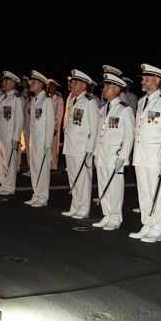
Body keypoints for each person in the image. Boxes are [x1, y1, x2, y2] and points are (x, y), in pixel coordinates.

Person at [129, 63, 161, 243]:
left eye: (147, 78)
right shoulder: (142, 102)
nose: (143, 80)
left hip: (156, 157)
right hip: (141, 155)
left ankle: (156, 230)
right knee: (144, 193)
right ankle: (146, 225)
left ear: (157, 80)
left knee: (156, 194)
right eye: (143, 77)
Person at [92, 73, 135, 231]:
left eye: (108, 87)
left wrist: (123, 157)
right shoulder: (103, 108)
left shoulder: (124, 110)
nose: (104, 89)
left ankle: (115, 218)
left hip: (114, 156)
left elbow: (129, 137)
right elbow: (99, 134)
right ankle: (107, 214)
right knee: (103, 186)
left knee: (115, 188)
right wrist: (95, 153)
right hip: (102, 155)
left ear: (117, 89)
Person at [61, 69, 99, 219]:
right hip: (71, 146)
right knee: (73, 179)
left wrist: (90, 149)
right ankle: (75, 206)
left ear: (84, 85)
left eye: (76, 83)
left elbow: (94, 128)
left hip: (82, 148)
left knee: (83, 180)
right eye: (72, 82)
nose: (72, 85)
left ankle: (84, 209)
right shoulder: (72, 100)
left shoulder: (90, 102)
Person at [25, 70, 55, 207]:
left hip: (43, 141)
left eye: (35, 82)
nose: (31, 84)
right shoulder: (35, 100)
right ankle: (36, 194)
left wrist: (48, 143)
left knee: (42, 169)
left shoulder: (47, 100)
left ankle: (42, 197)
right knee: (35, 168)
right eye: (32, 81)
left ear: (42, 85)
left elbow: (50, 123)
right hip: (34, 140)